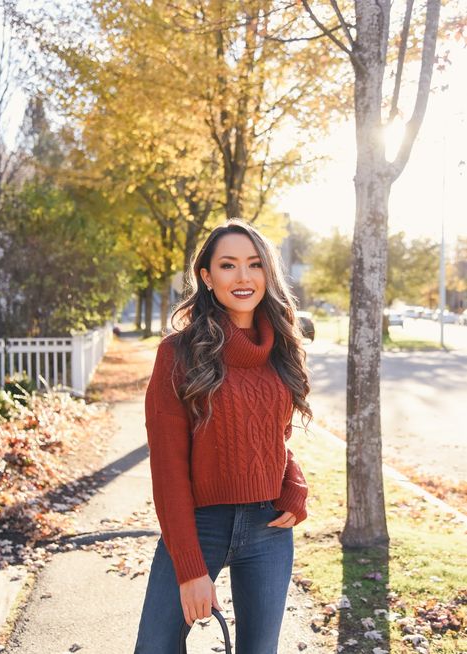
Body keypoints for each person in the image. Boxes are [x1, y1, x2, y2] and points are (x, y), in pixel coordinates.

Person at [133, 218, 312, 654]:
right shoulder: (177, 353)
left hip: (269, 527)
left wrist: (295, 485)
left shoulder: (282, 347)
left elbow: (276, 436)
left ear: (268, 273)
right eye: (228, 265)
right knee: (155, 647)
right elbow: (168, 469)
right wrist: (191, 569)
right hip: (198, 524)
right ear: (208, 278)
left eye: (254, 264)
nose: (244, 277)